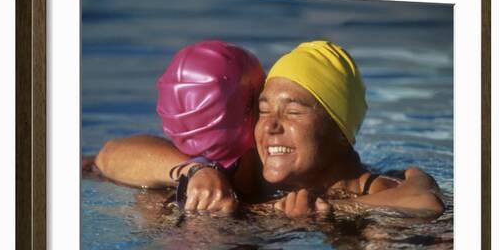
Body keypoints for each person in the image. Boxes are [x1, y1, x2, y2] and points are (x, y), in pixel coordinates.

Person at [91, 40, 444, 218]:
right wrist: (194, 169)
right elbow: (107, 157)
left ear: (339, 126)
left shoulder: (379, 191)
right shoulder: (245, 172)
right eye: (262, 109)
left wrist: (329, 214)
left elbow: (424, 204)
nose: (271, 125)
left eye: (293, 111)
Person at [91, 40, 265, 212]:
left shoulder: (167, 184)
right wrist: (196, 169)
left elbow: (104, 157)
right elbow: (108, 155)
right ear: (257, 105)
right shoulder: (280, 186)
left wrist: (195, 168)